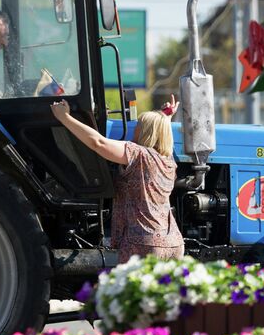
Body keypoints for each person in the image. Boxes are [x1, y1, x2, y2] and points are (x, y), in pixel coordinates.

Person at [50, 95, 184, 262]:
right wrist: (166, 116)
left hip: (143, 244)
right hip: (173, 243)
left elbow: (99, 143)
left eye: (139, 125)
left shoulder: (138, 154)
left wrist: (65, 117)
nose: (135, 128)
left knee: (133, 288)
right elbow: (161, 131)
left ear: (146, 131)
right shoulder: (168, 160)